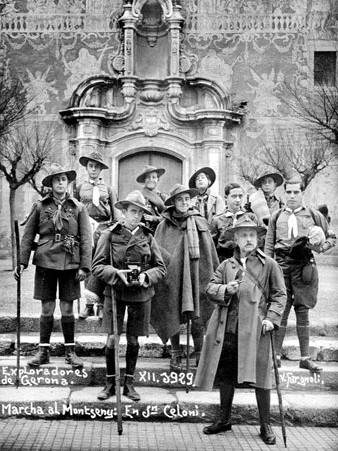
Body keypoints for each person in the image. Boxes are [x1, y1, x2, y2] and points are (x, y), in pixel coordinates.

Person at [195, 216, 286, 445]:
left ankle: (265, 425)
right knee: (226, 375)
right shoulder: (226, 265)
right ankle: (224, 419)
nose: (248, 239)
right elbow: (209, 288)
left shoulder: (269, 265)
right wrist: (226, 288)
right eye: (244, 235)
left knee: (261, 377)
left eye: (252, 235)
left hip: (257, 330)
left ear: (258, 238)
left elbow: (279, 295)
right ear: (235, 239)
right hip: (228, 329)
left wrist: (272, 319)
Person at [14, 163, 92, 369]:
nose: (60, 183)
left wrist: (85, 266)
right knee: (47, 307)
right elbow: (28, 235)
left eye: (64, 179)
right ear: (51, 184)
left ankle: (70, 351)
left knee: (67, 308)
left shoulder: (78, 207)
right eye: (57, 180)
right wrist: (21, 262)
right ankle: (43, 351)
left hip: (70, 261)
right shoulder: (41, 206)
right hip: (45, 261)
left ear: (68, 183)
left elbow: (86, 238)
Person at [92, 190, 166, 401]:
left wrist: (146, 277)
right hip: (115, 292)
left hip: (140, 294)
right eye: (132, 211)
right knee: (113, 338)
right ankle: (110, 382)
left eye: (140, 212)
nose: (136, 216)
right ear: (123, 212)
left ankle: (129, 383)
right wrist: (115, 273)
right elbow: (97, 266)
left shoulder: (148, 237)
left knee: (133, 340)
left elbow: (160, 268)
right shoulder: (110, 234)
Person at [264, 179, 331, 372]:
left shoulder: (313, 215)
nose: (292, 196)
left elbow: (331, 237)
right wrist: (269, 269)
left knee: (302, 311)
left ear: (302, 193)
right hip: (281, 265)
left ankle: (305, 358)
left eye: (296, 192)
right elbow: (269, 245)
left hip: (304, 266)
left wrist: (319, 247)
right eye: (289, 192)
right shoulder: (276, 216)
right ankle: (275, 356)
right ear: (284, 194)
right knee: (281, 309)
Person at [151, 184, 219, 370]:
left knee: (198, 313)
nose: (183, 202)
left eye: (187, 199)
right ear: (173, 202)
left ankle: (199, 353)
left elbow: (209, 252)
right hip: (172, 276)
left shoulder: (199, 222)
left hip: (197, 274)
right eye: (179, 199)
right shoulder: (164, 225)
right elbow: (157, 250)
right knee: (172, 308)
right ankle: (175, 353)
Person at [74, 151, 120, 319]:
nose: (93, 169)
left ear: (101, 169)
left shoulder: (108, 189)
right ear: (86, 168)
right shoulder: (79, 188)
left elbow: (116, 214)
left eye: (96, 166)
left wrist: (112, 231)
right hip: (86, 227)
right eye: (91, 166)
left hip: (103, 227)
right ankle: (88, 305)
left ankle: (100, 304)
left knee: (102, 265)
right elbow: (74, 210)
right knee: (87, 264)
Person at [210, 183, 258, 261]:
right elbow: (211, 247)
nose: (238, 200)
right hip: (224, 261)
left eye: (240, 196)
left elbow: (257, 243)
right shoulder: (217, 220)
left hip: (247, 261)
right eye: (234, 196)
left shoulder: (250, 217)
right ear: (226, 198)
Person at [136, 165, 168, 234]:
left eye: (154, 177)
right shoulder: (138, 196)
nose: (151, 180)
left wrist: (154, 218)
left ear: (158, 179)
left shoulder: (163, 197)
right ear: (144, 180)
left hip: (162, 232)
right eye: (148, 177)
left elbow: (169, 218)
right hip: (144, 233)